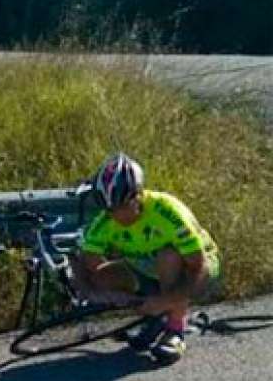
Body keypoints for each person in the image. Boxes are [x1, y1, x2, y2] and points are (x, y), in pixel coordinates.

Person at [78, 152, 222, 365]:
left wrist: (166, 300)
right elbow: (89, 265)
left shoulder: (168, 213)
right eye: (110, 210)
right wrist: (114, 296)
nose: (117, 216)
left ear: (138, 195)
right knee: (103, 277)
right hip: (149, 268)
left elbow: (196, 268)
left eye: (123, 207)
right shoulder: (105, 221)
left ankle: (175, 328)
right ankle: (157, 318)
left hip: (199, 266)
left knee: (168, 256)